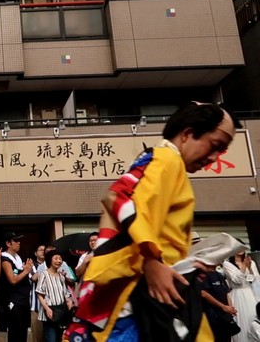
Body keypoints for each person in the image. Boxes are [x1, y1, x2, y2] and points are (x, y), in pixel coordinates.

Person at [68, 102, 241, 341]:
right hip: (138, 299)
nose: (213, 157)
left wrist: (183, 264)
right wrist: (151, 260)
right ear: (187, 134)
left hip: (151, 294)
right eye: (214, 146)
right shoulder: (166, 160)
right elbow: (119, 196)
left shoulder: (164, 161)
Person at [0, 232, 34, 342]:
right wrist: (26, 271)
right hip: (14, 301)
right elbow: (12, 280)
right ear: (8, 243)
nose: (19, 243)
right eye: (15, 240)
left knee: (23, 332)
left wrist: (27, 270)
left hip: (23, 300)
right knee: (15, 332)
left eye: (19, 240)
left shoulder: (18, 258)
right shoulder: (5, 258)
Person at [36, 249, 74, 342]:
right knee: (51, 339)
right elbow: (39, 294)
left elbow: (65, 293)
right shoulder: (44, 274)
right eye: (56, 258)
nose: (58, 261)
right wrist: (47, 308)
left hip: (61, 312)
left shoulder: (61, 276)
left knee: (60, 338)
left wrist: (69, 301)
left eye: (60, 259)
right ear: (50, 260)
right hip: (49, 313)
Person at [223, 251, 260, 342]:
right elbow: (237, 280)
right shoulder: (227, 264)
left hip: (250, 293)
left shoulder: (251, 261)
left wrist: (249, 267)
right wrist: (244, 265)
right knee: (241, 322)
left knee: (253, 318)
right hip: (237, 294)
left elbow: (253, 279)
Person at [201, 265, 237, 342]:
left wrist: (230, 308)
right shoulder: (204, 275)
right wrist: (223, 306)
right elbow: (203, 293)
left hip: (225, 316)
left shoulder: (219, 275)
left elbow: (226, 293)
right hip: (213, 316)